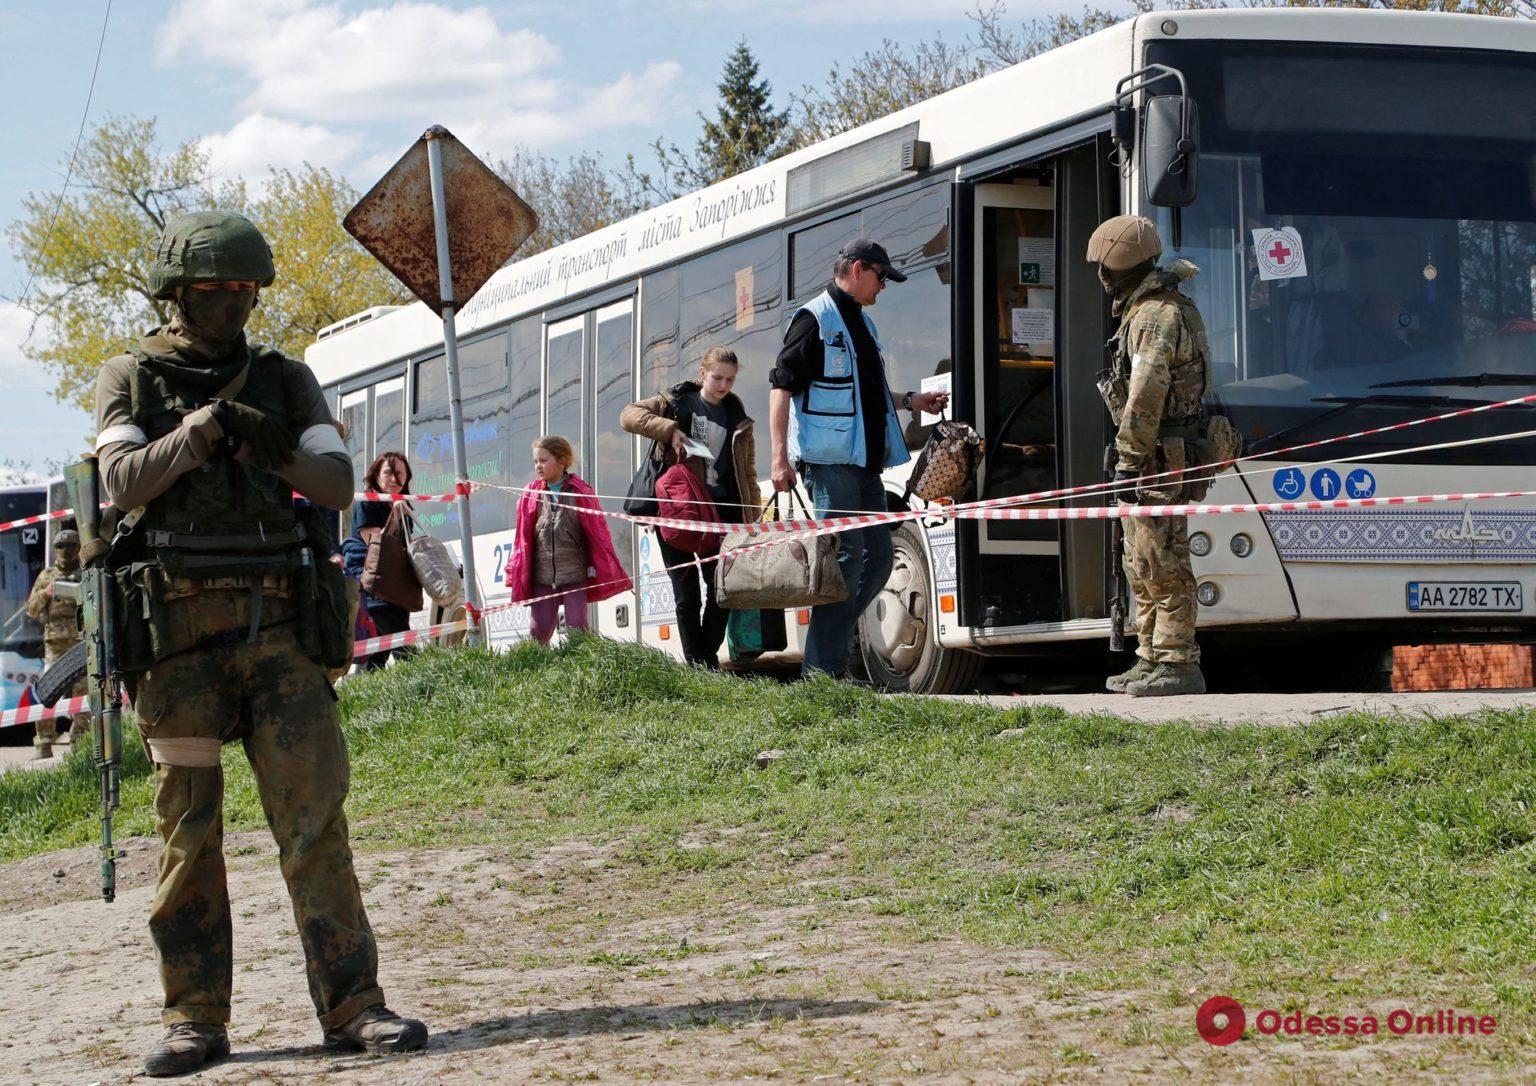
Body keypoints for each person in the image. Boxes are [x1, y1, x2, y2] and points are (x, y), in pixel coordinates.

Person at [91, 210, 427, 1076]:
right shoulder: (130, 376)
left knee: (315, 825)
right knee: (188, 836)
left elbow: (338, 482)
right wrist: (199, 432)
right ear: (176, 292)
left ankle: (354, 1005)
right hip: (177, 642)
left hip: (277, 631)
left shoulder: (286, 380)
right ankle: (194, 1020)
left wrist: (268, 444)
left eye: (246, 291)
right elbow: (123, 482)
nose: (234, 306)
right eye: (216, 291)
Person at [768, 238, 948, 680]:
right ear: (857, 269)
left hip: (866, 466)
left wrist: (912, 400)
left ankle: (826, 660)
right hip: (828, 464)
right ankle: (822, 671)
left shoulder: (862, 326)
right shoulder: (813, 319)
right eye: (881, 276)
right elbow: (780, 388)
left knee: (880, 558)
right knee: (846, 559)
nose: (883, 287)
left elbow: (863, 396)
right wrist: (778, 458)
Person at [1089, 214, 1210, 697]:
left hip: (1160, 457)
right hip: (1154, 454)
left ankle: (1179, 664)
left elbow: (1145, 395)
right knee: (1139, 560)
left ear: (1116, 268)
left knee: (1164, 561)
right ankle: (1151, 656)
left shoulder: (1156, 315)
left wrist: (1127, 460)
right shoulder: (1150, 310)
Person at [621, 347, 761, 668]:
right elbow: (628, 415)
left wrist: (751, 521)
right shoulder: (676, 401)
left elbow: (748, 474)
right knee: (686, 596)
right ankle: (701, 667)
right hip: (676, 512)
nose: (724, 385)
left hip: (721, 514)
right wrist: (669, 430)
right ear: (702, 374)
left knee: (722, 589)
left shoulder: (737, 417)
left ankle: (702, 660)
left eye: (730, 379)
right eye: (717, 377)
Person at [504, 436, 631, 645]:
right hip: (542, 576)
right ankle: (538, 671)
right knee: (538, 630)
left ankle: (580, 668)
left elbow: (598, 535)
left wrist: (596, 566)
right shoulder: (531, 494)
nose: (538, 466)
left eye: (543, 461)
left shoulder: (581, 491)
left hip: (574, 574)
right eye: (536, 461)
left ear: (562, 461)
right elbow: (522, 539)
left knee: (577, 626)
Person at [341, 451, 417, 671]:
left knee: (379, 651)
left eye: (400, 473)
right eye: (388, 473)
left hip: (394, 580)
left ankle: (368, 686)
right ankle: (425, 680)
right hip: (371, 578)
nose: (394, 479)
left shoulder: (402, 504)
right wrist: (395, 515)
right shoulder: (367, 502)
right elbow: (377, 544)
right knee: (399, 635)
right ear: (376, 476)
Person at [24, 529, 84, 758]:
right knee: (48, 692)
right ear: (55, 548)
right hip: (55, 646)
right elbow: (31, 609)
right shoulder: (47, 576)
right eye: (62, 545)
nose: (66, 550)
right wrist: (47, 592)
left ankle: (80, 743)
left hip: (81, 643)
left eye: (71, 545)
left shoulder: (85, 573)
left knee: (85, 694)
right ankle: (44, 743)